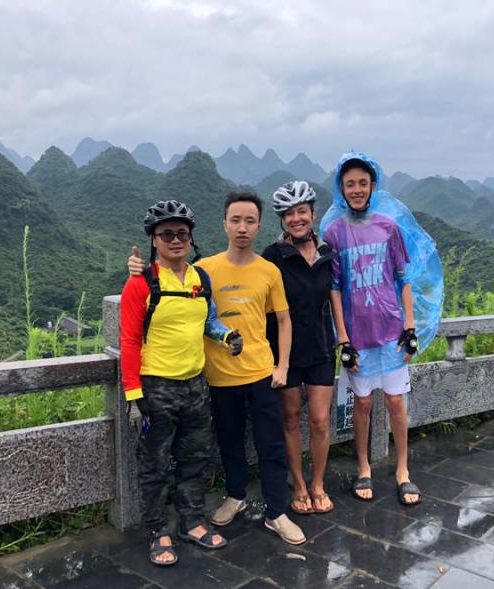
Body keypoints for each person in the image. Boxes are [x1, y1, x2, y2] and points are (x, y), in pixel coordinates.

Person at [128, 191, 306, 545]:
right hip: (215, 378)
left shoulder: (263, 271)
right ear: (224, 224)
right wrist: (137, 269)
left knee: (269, 445)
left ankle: (276, 512)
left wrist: (281, 365)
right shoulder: (204, 269)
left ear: (259, 226)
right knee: (227, 444)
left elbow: (279, 320)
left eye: (250, 221)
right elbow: (154, 291)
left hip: (260, 373)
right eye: (235, 220)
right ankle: (233, 497)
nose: (242, 227)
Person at [120, 199, 243, 567]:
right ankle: (158, 530)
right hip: (155, 388)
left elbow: (209, 321)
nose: (176, 240)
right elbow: (129, 340)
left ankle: (192, 521)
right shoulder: (140, 284)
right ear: (154, 240)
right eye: (167, 234)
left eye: (182, 234)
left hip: (195, 385)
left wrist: (226, 337)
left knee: (195, 457)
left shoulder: (200, 279)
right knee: (155, 463)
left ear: (191, 238)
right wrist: (133, 395)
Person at [320, 152, 443, 506]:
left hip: (391, 332)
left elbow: (403, 279)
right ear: (341, 189)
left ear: (373, 186)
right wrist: (342, 338)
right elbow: (334, 288)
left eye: (363, 183)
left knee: (395, 402)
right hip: (357, 335)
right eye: (350, 184)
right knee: (361, 403)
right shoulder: (334, 232)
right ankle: (364, 467)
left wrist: (410, 326)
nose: (357, 190)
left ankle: (403, 469)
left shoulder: (389, 228)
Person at [262, 181, 336, 515]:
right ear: (282, 219)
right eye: (289, 214)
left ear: (313, 214)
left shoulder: (327, 253)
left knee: (320, 421)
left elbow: (338, 299)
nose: (296, 219)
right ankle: (299, 484)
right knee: (290, 418)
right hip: (285, 354)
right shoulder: (273, 256)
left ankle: (318, 483)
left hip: (322, 348)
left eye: (301, 211)